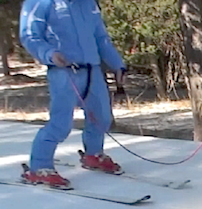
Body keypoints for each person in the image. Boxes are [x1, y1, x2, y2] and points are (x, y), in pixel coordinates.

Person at [19, 0, 127, 189]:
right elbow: (29, 35)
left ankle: (93, 154)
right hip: (64, 71)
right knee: (61, 124)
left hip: (92, 70)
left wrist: (117, 64)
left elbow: (101, 37)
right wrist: (50, 53)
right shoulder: (41, 2)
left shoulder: (87, 3)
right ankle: (40, 167)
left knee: (102, 116)